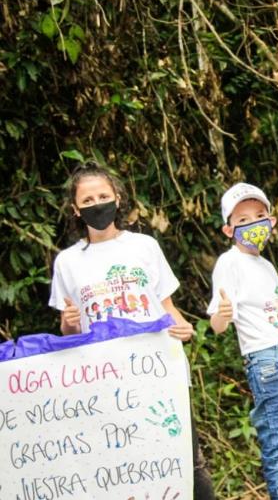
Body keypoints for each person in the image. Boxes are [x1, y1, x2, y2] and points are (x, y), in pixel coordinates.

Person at [48, 161, 215, 499]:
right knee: (126, 464)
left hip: (158, 372)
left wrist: (183, 327)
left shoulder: (144, 246)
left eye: (103, 196)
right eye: (88, 200)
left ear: (118, 198)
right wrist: (68, 322)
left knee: (185, 459)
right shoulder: (68, 261)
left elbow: (167, 308)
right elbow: (71, 331)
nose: (97, 204)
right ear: (76, 209)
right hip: (106, 381)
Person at [207, 183, 278, 500]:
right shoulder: (229, 262)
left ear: (272, 221)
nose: (254, 224)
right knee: (277, 440)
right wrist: (222, 313)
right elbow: (218, 325)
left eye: (260, 215)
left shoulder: (264, 264)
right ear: (228, 229)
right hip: (265, 359)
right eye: (243, 220)